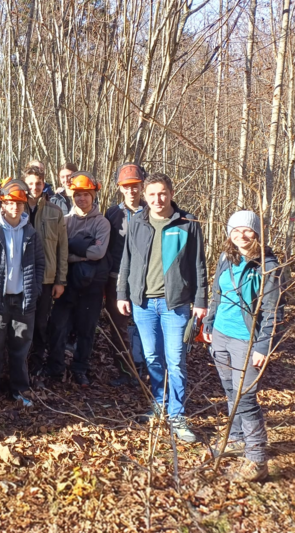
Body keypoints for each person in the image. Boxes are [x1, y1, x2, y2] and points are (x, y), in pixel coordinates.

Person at [117, 172, 208, 443]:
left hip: (175, 304)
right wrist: (123, 293)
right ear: (145, 196)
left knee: (176, 360)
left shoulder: (187, 223)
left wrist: (201, 301)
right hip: (143, 303)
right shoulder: (137, 222)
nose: (158, 199)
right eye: (152, 194)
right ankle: (160, 402)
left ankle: (177, 414)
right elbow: (126, 260)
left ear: (171, 193)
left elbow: (199, 265)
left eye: (163, 193)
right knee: (152, 358)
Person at [203, 211, 283, 482]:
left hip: (246, 341)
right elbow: (216, 294)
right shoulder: (227, 258)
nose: (241, 235)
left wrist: (263, 346)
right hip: (222, 335)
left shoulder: (267, 265)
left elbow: (273, 311)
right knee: (229, 391)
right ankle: (236, 439)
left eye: (247, 230)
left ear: (257, 233)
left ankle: (257, 459)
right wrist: (209, 325)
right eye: (235, 230)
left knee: (245, 397)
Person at [0, 179, 45, 406]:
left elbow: (40, 263)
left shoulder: (31, 233)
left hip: (23, 301)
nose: (15, 207)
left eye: (19, 203)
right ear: (3, 204)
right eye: (11, 203)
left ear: (24, 205)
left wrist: (34, 289)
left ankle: (20, 390)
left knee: (20, 349)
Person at [43, 172, 110, 387]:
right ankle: (55, 368)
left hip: (92, 287)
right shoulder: (66, 221)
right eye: (78, 195)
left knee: (86, 330)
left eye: (86, 195)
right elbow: (58, 249)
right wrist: (79, 251)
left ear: (93, 196)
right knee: (58, 326)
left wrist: (72, 253)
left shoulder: (102, 223)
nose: (82, 199)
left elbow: (98, 253)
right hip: (67, 283)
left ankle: (80, 368)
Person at [104, 163, 147, 387]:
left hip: (146, 280)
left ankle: (148, 370)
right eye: (127, 186)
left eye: (135, 186)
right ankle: (125, 371)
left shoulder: (152, 212)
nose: (131, 191)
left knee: (145, 325)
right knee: (118, 329)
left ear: (142, 186)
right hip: (116, 278)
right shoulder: (112, 213)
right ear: (120, 188)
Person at [23, 167, 68, 380]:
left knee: (41, 323)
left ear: (44, 185)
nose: (34, 188)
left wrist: (60, 280)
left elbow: (62, 248)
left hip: (46, 278)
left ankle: (37, 363)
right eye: (30, 183)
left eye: (38, 184)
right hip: (20, 278)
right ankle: (19, 363)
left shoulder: (54, 212)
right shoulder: (15, 208)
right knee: (21, 323)